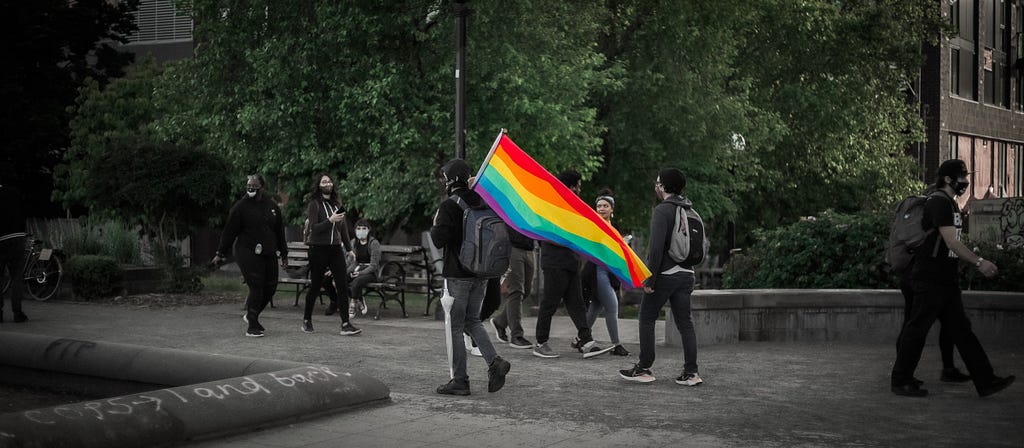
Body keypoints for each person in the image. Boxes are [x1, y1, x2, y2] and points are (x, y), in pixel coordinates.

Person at [891, 159, 1015, 397]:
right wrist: (980, 263)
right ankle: (900, 380)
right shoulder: (939, 203)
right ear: (948, 179)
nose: (966, 182)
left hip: (944, 279)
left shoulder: (949, 203)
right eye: (961, 178)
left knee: (961, 330)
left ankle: (986, 381)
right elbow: (952, 242)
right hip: (930, 278)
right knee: (917, 329)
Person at [431, 158, 510, 395]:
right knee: (472, 320)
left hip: (457, 275)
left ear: (451, 179)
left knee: (455, 327)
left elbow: (438, 240)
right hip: (481, 273)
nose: (443, 182)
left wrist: (437, 220)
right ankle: (494, 362)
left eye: (444, 177)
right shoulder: (484, 201)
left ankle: (460, 380)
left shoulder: (449, 205)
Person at [620, 168, 702, 385]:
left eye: (658, 183)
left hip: (666, 274)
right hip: (687, 274)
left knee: (647, 318)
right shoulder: (690, 210)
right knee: (685, 323)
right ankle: (691, 373)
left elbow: (655, 250)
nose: (655, 186)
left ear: (664, 187)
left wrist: (650, 280)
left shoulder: (662, 210)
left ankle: (644, 368)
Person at [532, 169, 613, 359]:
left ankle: (586, 341)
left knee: (577, 304)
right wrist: (571, 241)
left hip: (570, 262)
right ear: (570, 186)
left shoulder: (571, 206)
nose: (579, 190)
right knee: (550, 303)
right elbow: (545, 233)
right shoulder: (551, 204)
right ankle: (540, 342)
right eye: (578, 186)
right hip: (554, 263)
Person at [212, 174, 287, 337]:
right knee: (257, 286)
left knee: (271, 287)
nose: (251, 189)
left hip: (268, 251)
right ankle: (252, 325)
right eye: (248, 186)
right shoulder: (240, 207)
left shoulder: (272, 206)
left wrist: (284, 254)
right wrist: (220, 253)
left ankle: (251, 315)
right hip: (247, 251)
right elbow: (229, 232)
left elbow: (279, 232)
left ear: (262, 187)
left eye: (254, 186)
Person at [302, 172, 361, 336]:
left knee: (342, 285)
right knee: (315, 285)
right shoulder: (314, 204)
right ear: (319, 186)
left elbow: (343, 229)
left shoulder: (337, 203)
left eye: (329, 181)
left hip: (335, 248)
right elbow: (314, 228)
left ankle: (345, 323)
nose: (327, 183)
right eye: (323, 181)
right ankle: (307, 319)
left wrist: (349, 249)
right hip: (318, 248)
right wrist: (330, 220)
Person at [582, 189, 628, 356]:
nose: (601, 209)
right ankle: (616, 345)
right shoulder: (593, 225)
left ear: (612, 209)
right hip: (596, 272)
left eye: (605, 206)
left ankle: (580, 338)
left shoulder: (613, 228)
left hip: (607, 273)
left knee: (596, 306)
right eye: (599, 206)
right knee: (612, 306)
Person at [490, 227, 536, 350]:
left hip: (529, 247)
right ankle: (516, 335)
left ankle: (500, 322)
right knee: (516, 291)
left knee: (525, 291)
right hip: (512, 247)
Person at [0, 178, 29, 324]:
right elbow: (24, 211)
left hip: (1, 239)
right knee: (16, 277)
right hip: (17, 237)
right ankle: (18, 313)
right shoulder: (14, 192)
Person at [342, 219, 381, 318]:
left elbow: (374, 265)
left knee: (357, 281)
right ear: (355, 230)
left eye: (364, 228)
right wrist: (347, 272)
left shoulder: (373, 243)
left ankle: (353, 303)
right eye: (358, 228)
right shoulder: (354, 242)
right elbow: (353, 261)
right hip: (358, 269)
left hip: (370, 272)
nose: (361, 230)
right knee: (341, 280)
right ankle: (359, 299)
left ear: (368, 230)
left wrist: (361, 273)